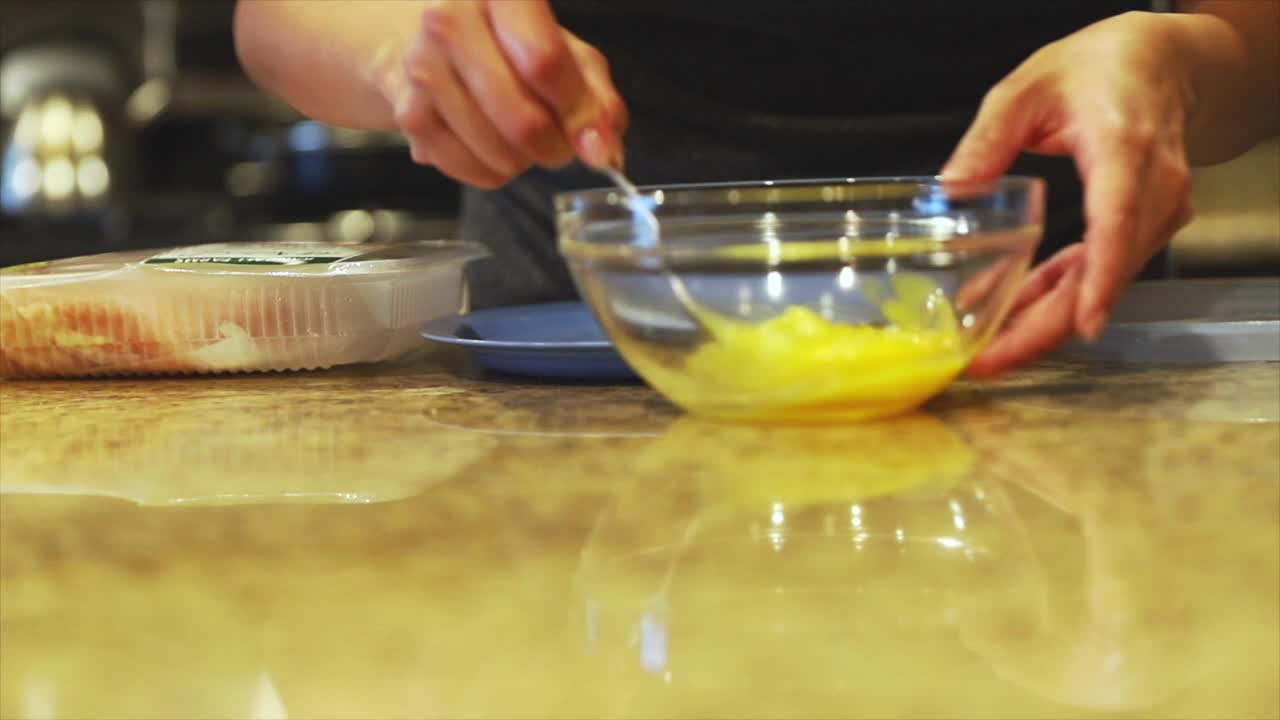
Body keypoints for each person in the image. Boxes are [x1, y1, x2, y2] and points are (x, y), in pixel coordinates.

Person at [233, 0, 1279, 377]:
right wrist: (404, 54)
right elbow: (279, 15)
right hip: (579, 350)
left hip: (1043, 331)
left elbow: (1254, 48)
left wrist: (1178, 66)